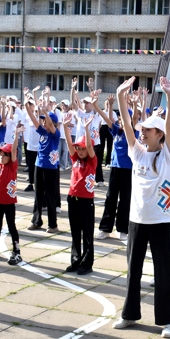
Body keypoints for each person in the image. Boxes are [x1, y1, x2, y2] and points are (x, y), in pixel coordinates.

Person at [112, 76, 170, 339]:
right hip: (137, 220)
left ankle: (168, 320)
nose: (142, 132)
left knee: (164, 272)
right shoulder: (137, 152)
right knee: (134, 270)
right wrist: (120, 96)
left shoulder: (167, 154)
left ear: (159, 134)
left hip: (162, 221)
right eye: (142, 130)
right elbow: (127, 124)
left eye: (148, 130)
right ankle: (129, 314)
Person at [61, 110, 98, 274]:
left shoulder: (92, 161)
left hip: (86, 200)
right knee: (75, 231)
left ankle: (87, 263)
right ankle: (76, 260)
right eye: (79, 149)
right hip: (73, 197)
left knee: (87, 233)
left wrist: (87, 129)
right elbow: (70, 145)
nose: (80, 151)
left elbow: (89, 146)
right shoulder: (75, 159)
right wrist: (65, 127)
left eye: (82, 149)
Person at [95, 94, 133, 242]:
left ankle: (122, 229)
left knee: (125, 199)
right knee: (110, 197)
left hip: (127, 169)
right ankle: (105, 228)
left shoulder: (132, 133)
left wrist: (134, 104)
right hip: (115, 168)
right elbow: (107, 119)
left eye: (124, 118)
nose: (121, 120)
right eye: (120, 118)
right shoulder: (116, 131)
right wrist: (107, 105)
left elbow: (136, 119)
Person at [0, 123, 24, 265]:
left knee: (11, 226)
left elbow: (14, 150)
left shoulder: (11, 167)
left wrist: (17, 135)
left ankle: (17, 251)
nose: (1, 156)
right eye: (0, 154)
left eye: (4, 155)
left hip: (9, 203)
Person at [24, 89, 62, 233]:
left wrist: (46, 112)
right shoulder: (42, 132)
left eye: (45, 120)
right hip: (39, 165)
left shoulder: (55, 134)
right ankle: (36, 221)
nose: (43, 122)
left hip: (50, 168)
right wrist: (28, 107)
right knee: (38, 195)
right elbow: (34, 121)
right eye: (43, 120)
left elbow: (52, 127)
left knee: (50, 196)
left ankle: (53, 225)